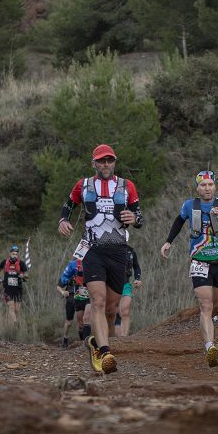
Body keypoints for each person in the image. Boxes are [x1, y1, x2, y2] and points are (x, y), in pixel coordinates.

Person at [57, 144, 143, 374]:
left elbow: (140, 216)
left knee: (111, 309)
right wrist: (63, 221)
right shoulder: (83, 185)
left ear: (114, 162)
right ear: (93, 163)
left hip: (118, 251)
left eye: (109, 160)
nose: (106, 164)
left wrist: (134, 218)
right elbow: (67, 206)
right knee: (97, 300)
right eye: (101, 161)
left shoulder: (127, 186)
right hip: (92, 250)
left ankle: (97, 342)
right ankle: (104, 351)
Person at [160, 169, 218, 368]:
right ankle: (210, 347)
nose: (207, 188)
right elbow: (179, 221)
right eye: (203, 185)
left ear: (214, 186)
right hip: (199, 260)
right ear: (197, 187)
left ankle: (210, 328)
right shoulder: (190, 205)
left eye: (210, 184)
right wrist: (168, 242)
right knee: (205, 305)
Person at [57, 257, 92, 349]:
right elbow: (59, 285)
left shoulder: (90, 266)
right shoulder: (71, 270)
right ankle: (65, 338)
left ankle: (83, 343)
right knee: (70, 322)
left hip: (85, 296)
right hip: (71, 297)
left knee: (85, 320)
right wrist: (63, 292)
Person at [0, 244, 28, 323]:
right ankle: (15, 323)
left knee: (17, 310)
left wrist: (23, 275)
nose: (15, 256)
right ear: (10, 254)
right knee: (11, 307)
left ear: (18, 255)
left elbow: (27, 275)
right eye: (13, 254)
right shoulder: (4, 262)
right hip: (8, 289)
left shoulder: (21, 263)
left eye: (16, 254)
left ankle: (12, 324)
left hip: (18, 289)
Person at [115, 245, 142, 338]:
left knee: (125, 311)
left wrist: (138, 279)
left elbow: (136, 267)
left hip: (126, 284)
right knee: (114, 312)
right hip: (112, 285)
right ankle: (112, 338)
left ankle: (124, 337)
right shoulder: (107, 249)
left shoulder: (130, 252)